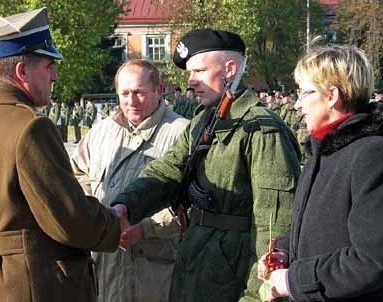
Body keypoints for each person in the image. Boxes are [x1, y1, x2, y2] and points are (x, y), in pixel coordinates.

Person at [112, 28, 301, 302]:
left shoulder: (262, 130)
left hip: (233, 276)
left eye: (199, 71)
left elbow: (274, 229)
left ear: (231, 69)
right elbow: (169, 170)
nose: (191, 81)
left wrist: (259, 295)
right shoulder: (206, 120)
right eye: (190, 73)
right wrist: (125, 205)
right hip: (196, 263)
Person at [0, 7, 121, 301]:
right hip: (33, 286)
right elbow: (70, 220)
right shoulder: (31, 128)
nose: (56, 76)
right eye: (49, 66)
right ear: (22, 72)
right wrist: (114, 223)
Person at [257, 45, 383, 301]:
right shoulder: (323, 151)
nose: (298, 105)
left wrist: (293, 280)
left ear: (331, 96)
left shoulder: (370, 155)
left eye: (305, 93)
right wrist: (284, 251)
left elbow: (372, 260)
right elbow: (317, 228)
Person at [71, 59, 189, 302]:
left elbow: (193, 202)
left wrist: (146, 228)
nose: (131, 101)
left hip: (154, 273)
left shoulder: (182, 133)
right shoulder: (102, 131)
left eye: (138, 92)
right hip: (105, 268)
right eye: (124, 93)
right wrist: (94, 211)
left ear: (158, 90)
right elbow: (76, 172)